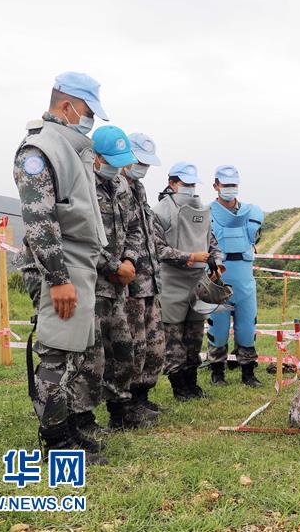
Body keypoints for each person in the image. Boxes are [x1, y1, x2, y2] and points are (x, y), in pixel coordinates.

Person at [13, 72, 109, 463]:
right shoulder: (39, 150)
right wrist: (57, 278)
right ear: (67, 105)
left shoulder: (69, 148)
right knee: (56, 357)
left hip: (78, 263)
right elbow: (40, 221)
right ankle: (56, 443)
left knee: (76, 353)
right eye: (87, 112)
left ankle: (68, 426)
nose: (89, 121)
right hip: (60, 265)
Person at [90, 126, 148, 430]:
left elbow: (135, 229)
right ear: (95, 156)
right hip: (93, 283)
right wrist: (113, 266)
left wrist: (129, 260)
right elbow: (80, 239)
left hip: (120, 285)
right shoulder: (82, 186)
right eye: (111, 159)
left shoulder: (121, 187)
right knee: (91, 355)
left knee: (123, 349)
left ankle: (120, 410)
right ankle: (81, 417)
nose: (116, 166)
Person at [153, 162, 224, 401]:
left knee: (194, 335)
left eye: (193, 184)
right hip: (172, 281)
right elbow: (158, 249)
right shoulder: (160, 211)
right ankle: (179, 386)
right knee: (173, 336)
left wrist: (216, 262)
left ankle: (192, 383)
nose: (190, 188)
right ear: (172, 183)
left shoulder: (202, 210)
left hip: (198, 281)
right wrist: (189, 257)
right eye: (186, 183)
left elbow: (212, 243)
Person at [207, 165, 265, 387]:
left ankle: (248, 373)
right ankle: (217, 372)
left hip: (244, 279)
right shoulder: (206, 213)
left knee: (247, 327)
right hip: (218, 278)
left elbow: (254, 238)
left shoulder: (251, 213)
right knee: (218, 327)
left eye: (233, 185)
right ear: (216, 186)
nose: (229, 189)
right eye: (225, 184)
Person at [122, 133, 165, 417]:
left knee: (153, 344)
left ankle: (142, 395)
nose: (143, 168)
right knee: (133, 346)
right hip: (130, 283)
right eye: (139, 162)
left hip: (151, 280)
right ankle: (126, 403)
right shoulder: (116, 186)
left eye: (147, 164)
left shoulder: (138, 188)